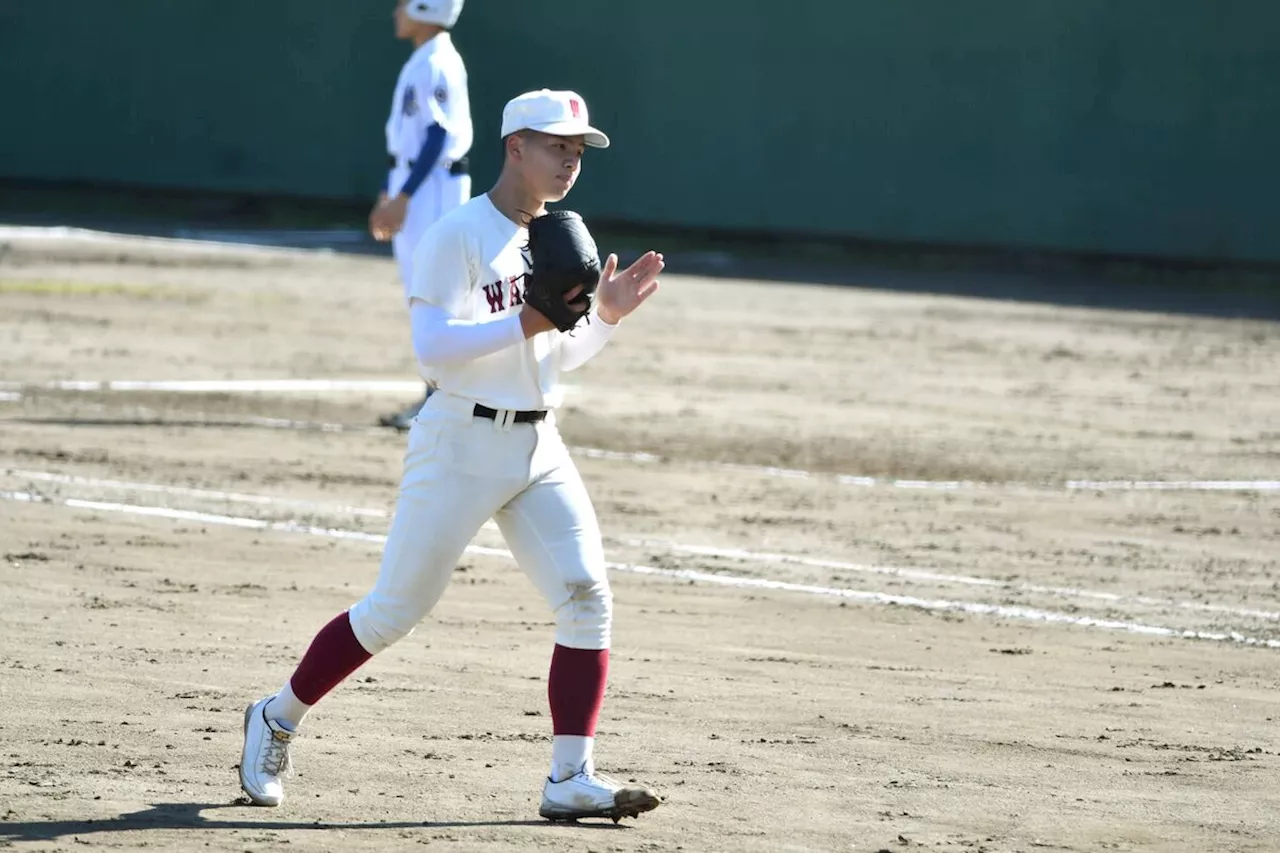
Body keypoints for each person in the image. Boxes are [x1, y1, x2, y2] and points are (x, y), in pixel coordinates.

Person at [239, 88, 667, 823]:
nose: (570, 159)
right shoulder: (457, 234)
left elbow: (555, 356)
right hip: (459, 441)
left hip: (539, 443)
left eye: (578, 149)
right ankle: (276, 716)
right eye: (555, 144)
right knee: (393, 611)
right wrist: (527, 316)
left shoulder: (562, 234)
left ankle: (570, 777)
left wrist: (607, 318)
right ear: (514, 148)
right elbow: (432, 350)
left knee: (587, 596)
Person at [369, 0, 473, 431]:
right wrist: (388, 191)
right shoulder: (427, 58)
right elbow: (413, 141)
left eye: (404, 4)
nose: (396, 11)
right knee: (425, 289)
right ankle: (440, 396)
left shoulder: (436, 61)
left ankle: (440, 398)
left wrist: (404, 195)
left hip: (431, 187)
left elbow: (437, 136)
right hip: (419, 183)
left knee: (433, 292)